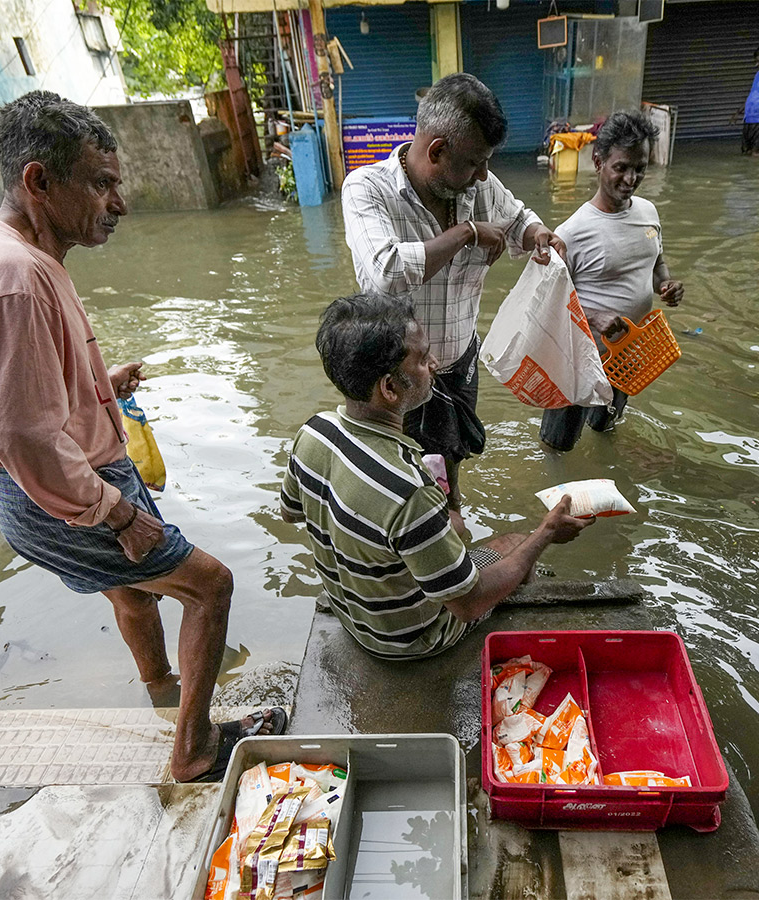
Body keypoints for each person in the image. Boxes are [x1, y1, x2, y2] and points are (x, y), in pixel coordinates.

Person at [0, 91, 284, 785]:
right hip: (60, 492)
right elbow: (23, 434)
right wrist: (117, 513)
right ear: (38, 182)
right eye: (100, 184)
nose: (117, 204)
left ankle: (160, 689)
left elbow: (14, 394)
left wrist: (97, 385)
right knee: (209, 586)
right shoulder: (15, 276)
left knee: (134, 591)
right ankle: (194, 749)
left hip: (38, 488)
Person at [280, 293, 593, 660]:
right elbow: (468, 603)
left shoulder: (314, 432)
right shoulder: (409, 491)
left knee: (456, 535)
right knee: (513, 546)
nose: (434, 363)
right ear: (390, 388)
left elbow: (291, 513)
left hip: (356, 619)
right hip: (410, 641)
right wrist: (545, 534)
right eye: (423, 358)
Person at [341, 73, 566, 523]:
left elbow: (518, 217)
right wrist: (466, 234)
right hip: (394, 373)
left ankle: (453, 507)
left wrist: (537, 233)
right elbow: (386, 272)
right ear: (437, 151)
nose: (484, 174)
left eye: (487, 162)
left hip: (457, 359)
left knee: (451, 456)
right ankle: (409, 541)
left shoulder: (477, 185)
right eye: (475, 162)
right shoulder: (367, 189)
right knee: (395, 474)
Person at [540, 111, 684, 452]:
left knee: (606, 432)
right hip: (579, 361)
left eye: (640, 168)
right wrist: (593, 317)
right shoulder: (572, 232)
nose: (631, 178)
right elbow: (546, 302)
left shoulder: (648, 212)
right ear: (598, 161)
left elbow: (656, 262)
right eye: (621, 167)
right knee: (557, 447)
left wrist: (666, 283)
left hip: (628, 356)